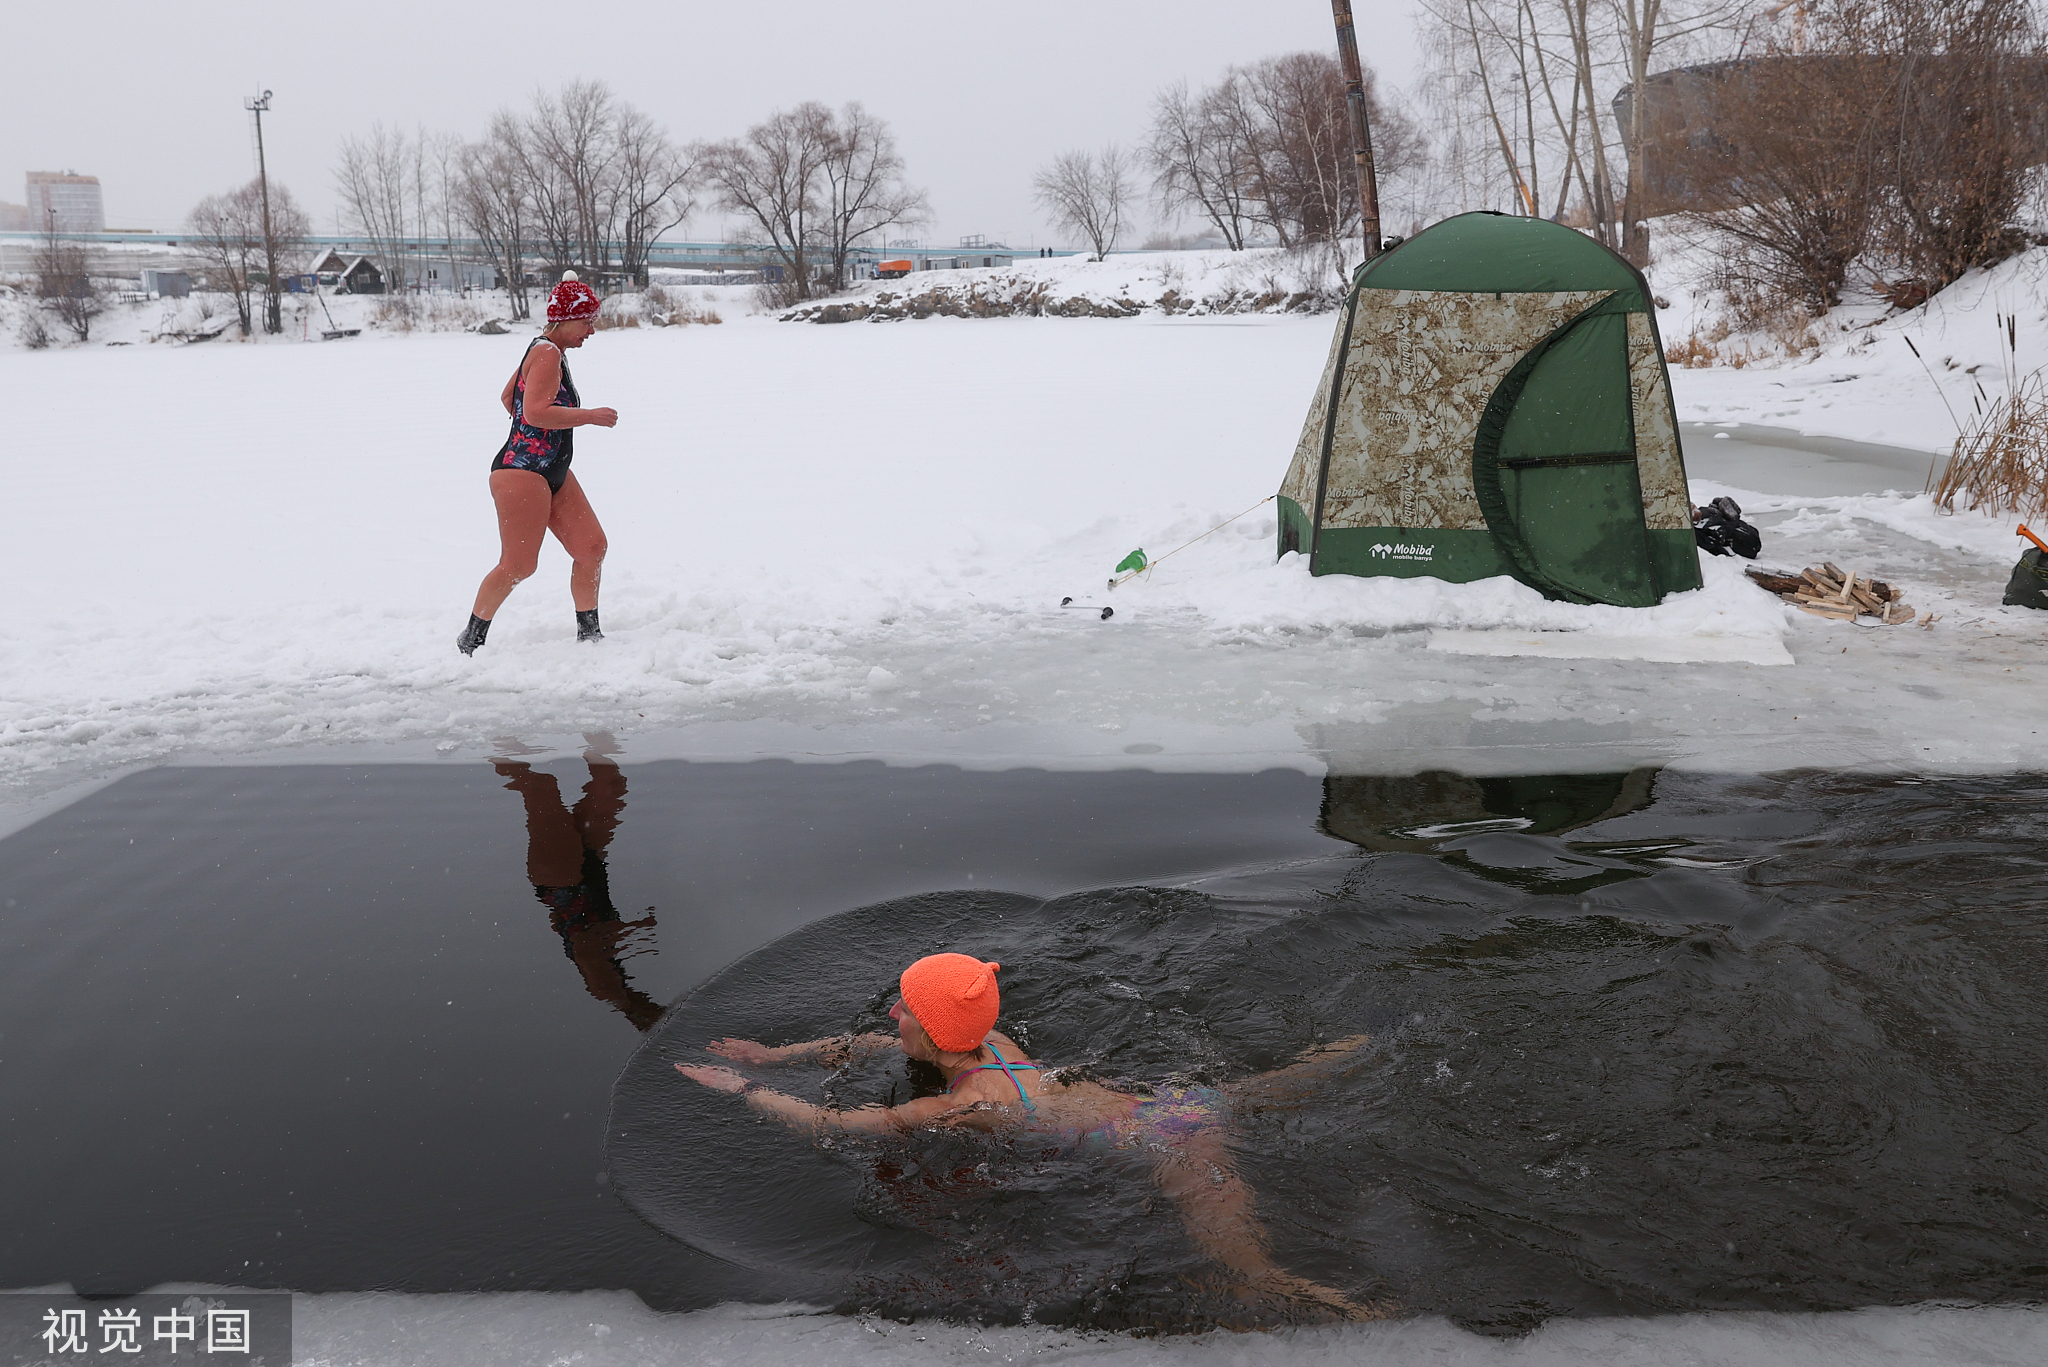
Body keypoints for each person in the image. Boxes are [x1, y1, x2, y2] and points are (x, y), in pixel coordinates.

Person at [675, 953, 1389, 1322]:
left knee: (1250, 1271)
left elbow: (838, 1125)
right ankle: (1370, 1043)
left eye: (904, 1010)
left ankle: (1367, 1319)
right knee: (1258, 1093)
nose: (892, 1016)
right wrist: (778, 1055)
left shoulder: (961, 1108)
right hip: (1177, 1104)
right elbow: (864, 1044)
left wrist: (742, 1090)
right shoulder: (994, 1043)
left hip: (1178, 1151)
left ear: (929, 1033)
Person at [457, 275, 620, 656]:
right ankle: (471, 641)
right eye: (586, 322)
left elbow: (508, 397)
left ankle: (589, 634)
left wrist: (539, 433)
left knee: (592, 546)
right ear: (564, 319)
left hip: (551, 469)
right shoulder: (546, 352)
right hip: (522, 472)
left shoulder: (546, 352)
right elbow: (534, 411)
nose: (591, 331)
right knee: (518, 564)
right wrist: (589, 415)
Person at [491, 733, 661, 1031]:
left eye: (655, 1010)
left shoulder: (609, 991)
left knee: (541, 788)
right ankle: (595, 733)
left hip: (560, 878)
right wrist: (626, 931)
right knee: (610, 785)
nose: (656, 1002)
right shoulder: (615, 988)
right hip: (586, 868)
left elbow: (584, 945)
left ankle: (502, 740)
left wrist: (625, 931)